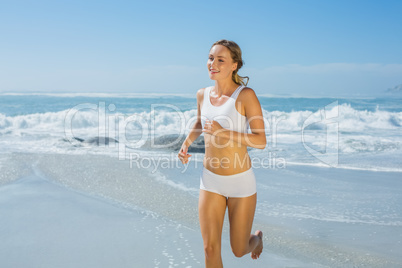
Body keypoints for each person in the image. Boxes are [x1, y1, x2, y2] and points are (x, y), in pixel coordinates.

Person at [178, 39, 266, 267]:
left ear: (234, 65)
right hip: (210, 181)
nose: (212, 64)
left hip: (240, 183)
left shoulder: (245, 95)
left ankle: (256, 240)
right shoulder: (202, 94)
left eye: (220, 60)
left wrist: (225, 132)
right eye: (210, 58)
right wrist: (186, 143)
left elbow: (260, 140)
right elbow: (200, 122)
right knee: (209, 249)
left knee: (239, 249)